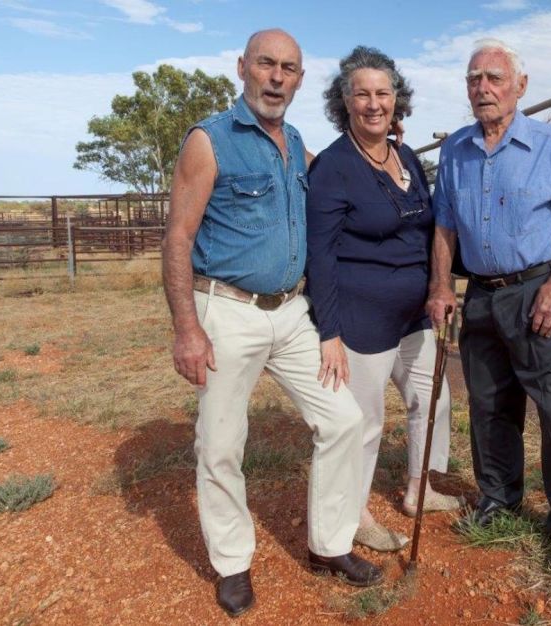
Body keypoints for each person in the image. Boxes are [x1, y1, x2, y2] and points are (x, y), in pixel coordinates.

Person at [162, 29, 382, 618]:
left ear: (301, 80)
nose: (277, 77)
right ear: (243, 68)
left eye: (289, 68)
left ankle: (329, 545)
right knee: (222, 443)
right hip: (227, 310)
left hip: (291, 312)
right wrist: (188, 328)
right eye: (266, 64)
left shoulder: (298, 142)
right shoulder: (210, 142)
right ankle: (232, 563)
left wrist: (383, 147)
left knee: (342, 418)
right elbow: (178, 237)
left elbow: (340, 177)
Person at [425, 38, 551, 572]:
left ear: (519, 87)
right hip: (481, 295)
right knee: (490, 406)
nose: (483, 88)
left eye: (494, 78)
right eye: (474, 79)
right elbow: (444, 226)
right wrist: (440, 286)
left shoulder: (549, 145)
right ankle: (499, 499)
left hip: (538, 291)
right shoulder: (455, 149)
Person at [305, 46, 460, 553]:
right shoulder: (333, 167)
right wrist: (329, 330)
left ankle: (419, 487)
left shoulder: (405, 155)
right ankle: (354, 516)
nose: (374, 103)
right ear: (344, 102)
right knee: (365, 422)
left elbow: (427, 222)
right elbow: (321, 256)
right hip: (361, 317)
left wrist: (439, 284)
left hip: (414, 313)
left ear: (397, 100)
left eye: (383, 93)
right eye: (362, 94)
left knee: (432, 400)